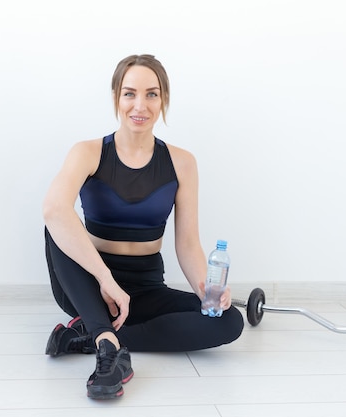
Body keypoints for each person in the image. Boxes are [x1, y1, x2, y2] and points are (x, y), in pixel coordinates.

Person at [42, 54, 244, 400]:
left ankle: (93, 335)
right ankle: (108, 348)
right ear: (116, 98)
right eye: (129, 93)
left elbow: (188, 244)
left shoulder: (182, 163)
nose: (140, 105)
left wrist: (206, 291)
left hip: (144, 288)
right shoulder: (88, 152)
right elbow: (53, 210)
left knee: (230, 321)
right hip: (88, 284)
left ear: (163, 98)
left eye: (151, 94)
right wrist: (105, 279)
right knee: (57, 221)